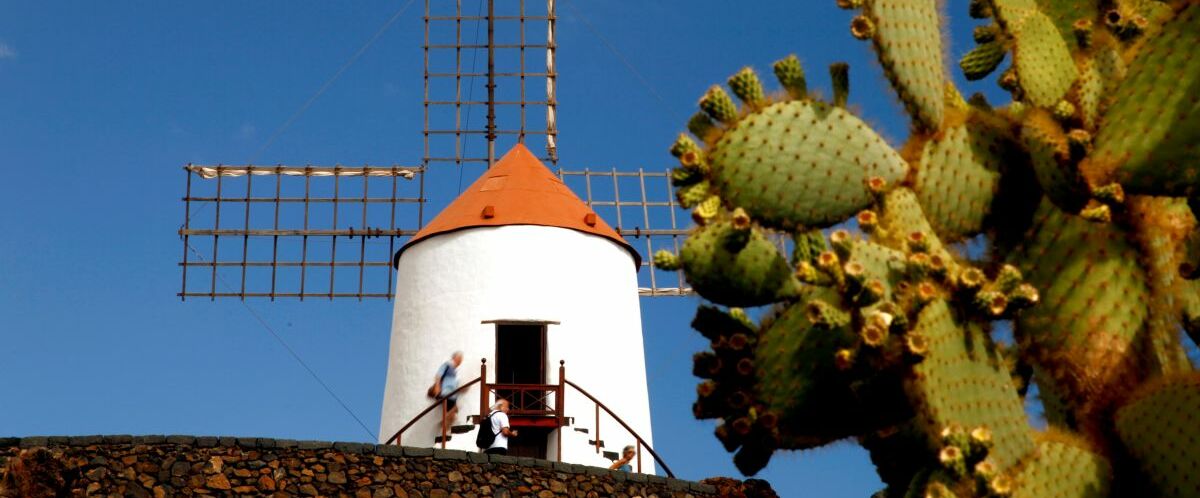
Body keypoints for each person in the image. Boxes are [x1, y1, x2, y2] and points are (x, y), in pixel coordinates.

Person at [430, 351, 464, 436]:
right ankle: (444, 429)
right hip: (446, 393)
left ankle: (444, 428)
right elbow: (438, 376)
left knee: (453, 412)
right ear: (455, 358)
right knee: (452, 411)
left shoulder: (455, 370)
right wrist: (438, 388)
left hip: (453, 395)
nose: (460, 361)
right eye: (460, 359)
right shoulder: (447, 365)